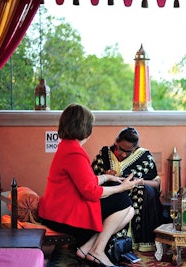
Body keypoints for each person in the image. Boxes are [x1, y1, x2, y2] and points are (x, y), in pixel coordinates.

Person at [38, 103, 141, 267]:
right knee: (123, 201)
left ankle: (87, 249)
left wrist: (106, 178)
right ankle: (97, 251)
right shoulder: (74, 152)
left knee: (128, 211)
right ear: (84, 128)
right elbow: (91, 192)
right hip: (62, 216)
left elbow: (86, 181)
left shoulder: (67, 146)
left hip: (59, 210)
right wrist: (122, 187)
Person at [91, 127, 163, 253]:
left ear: (135, 149)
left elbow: (156, 184)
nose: (123, 154)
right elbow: (90, 180)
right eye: (121, 149)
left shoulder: (144, 157)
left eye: (128, 152)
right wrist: (106, 175)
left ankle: (138, 240)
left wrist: (140, 181)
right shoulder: (104, 155)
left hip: (137, 197)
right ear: (116, 143)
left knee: (147, 191)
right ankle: (106, 241)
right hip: (113, 198)